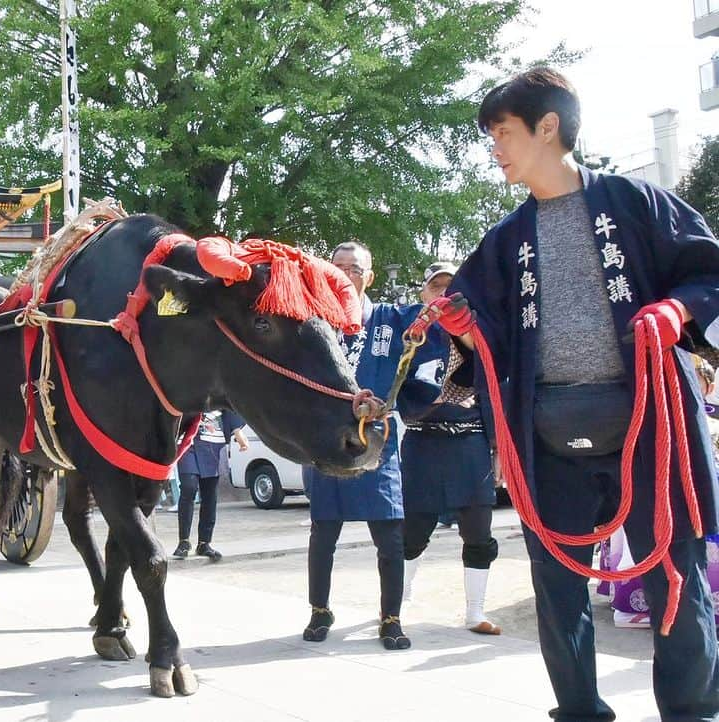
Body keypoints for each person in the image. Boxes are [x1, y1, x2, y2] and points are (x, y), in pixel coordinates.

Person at [436, 67, 719, 721]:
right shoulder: (507, 239)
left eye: (502, 133)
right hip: (549, 428)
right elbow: (486, 337)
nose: (495, 149)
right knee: (557, 585)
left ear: (548, 127)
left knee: (671, 571)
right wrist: (469, 335)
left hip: (650, 422)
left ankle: (692, 710)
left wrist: (676, 311)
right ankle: (580, 710)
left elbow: (708, 273)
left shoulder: (636, 203)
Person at [301, 241, 414, 650]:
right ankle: (320, 609)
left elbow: (427, 347)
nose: (346, 274)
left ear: (369, 277)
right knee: (323, 532)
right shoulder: (312, 321)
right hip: (327, 438)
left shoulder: (390, 319)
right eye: (338, 267)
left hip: (376, 439)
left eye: (355, 268)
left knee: (389, 535)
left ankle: (391, 617)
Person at [397, 261, 501, 635]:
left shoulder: (483, 332)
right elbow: (392, 385)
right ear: (424, 293)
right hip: (423, 442)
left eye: (450, 287)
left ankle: (475, 611)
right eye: (435, 288)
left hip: (471, 442)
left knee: (478, 531)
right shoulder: (409, 334)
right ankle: (399, 603)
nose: (443, 294)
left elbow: (496, 389)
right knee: (412, 530)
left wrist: (499, 446)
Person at [173, 410, 246, 561]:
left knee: (209, 493)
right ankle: (184, 541)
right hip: (187, 436)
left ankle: (204, 542)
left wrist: (237, 432)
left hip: (212, 438)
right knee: (188, 486)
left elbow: (228, 398)